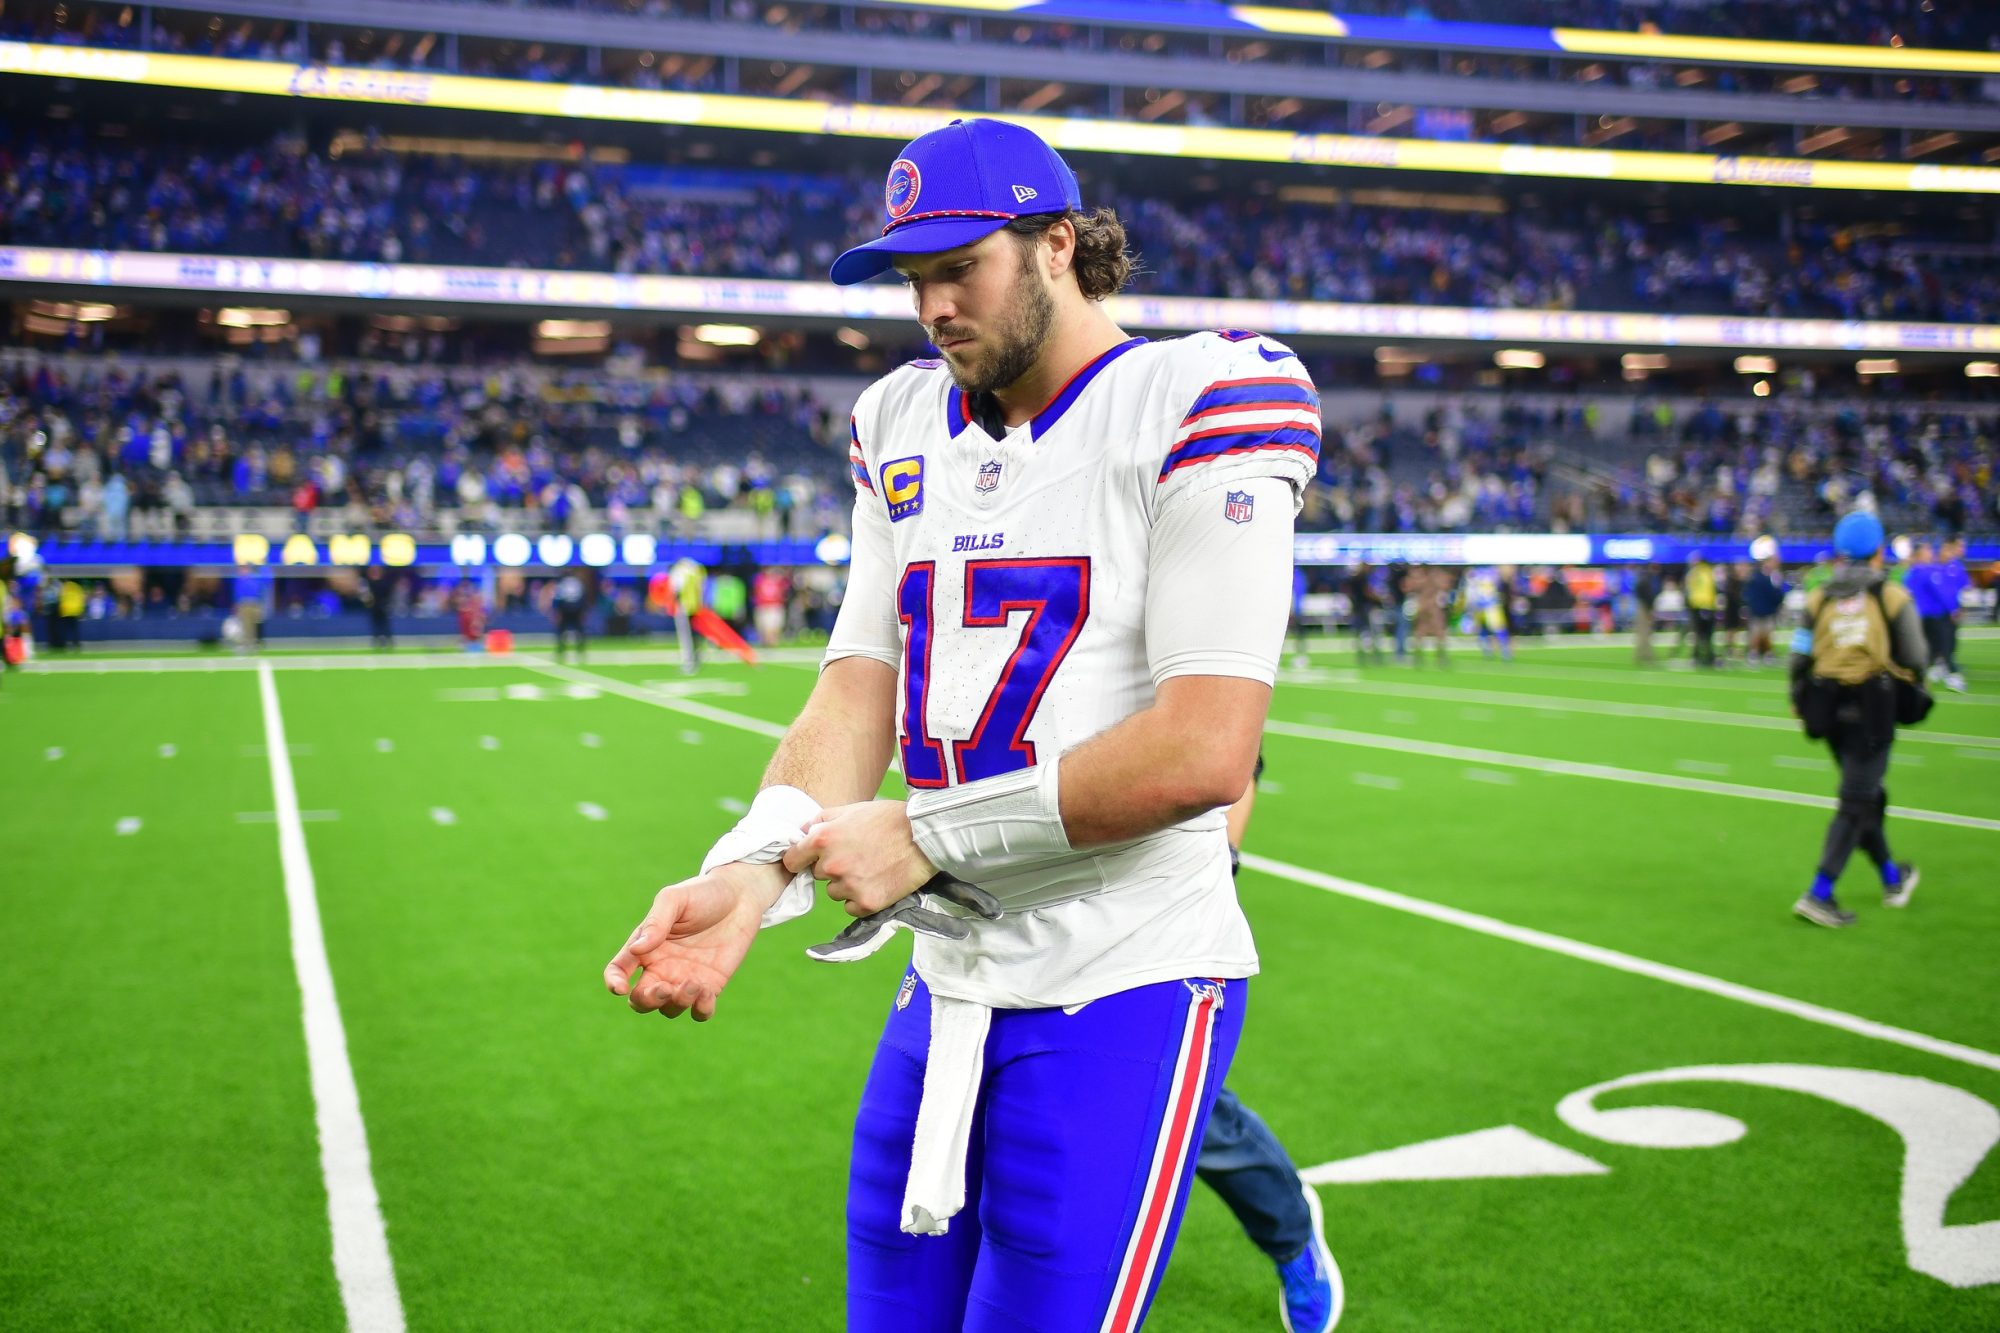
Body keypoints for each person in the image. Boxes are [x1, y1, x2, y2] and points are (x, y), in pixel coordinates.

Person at [602, 118, 1317, 1333]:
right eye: (910, 277)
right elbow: (854, 684)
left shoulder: (1201, 395)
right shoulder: (899, 422)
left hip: (1125, 969)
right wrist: (754, 865)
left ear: (1055, 245)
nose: (930, 306)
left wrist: (927, 836)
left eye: (957, 267)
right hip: (948, 979)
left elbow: (1204, 747)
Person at [1207, 756, 1344, 1333]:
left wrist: (1224, 858)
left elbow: (1235, 753)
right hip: (1005, 905)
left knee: (1183, 1107)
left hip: (1142, 904)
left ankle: (1290, 1234)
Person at [1789, 512, 1927, 928]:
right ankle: (1819, 892)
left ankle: (1891, 876)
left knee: (1866, 796)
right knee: (1856, 800)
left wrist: (1799, 698)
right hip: (1873, 707)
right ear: (1879, 551)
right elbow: (1917, 656)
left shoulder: (1819, 597)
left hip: (1829, 708)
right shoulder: (1891, 596)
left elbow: (1799, 656)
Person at [1741, 555, 1787, 667]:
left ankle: (1764, 654)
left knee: (1766, 633)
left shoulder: (1771, 576)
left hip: (1765, 609)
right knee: (1757, 633)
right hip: (1760, 609)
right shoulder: (1763, 576)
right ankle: (1756, 654)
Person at [1684, 553, 1717, 668]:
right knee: (1706, 635)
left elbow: (1690, 589)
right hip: (1706, 606)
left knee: (1699, 634)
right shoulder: (1708, 572)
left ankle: (1698, 656)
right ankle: (1706, 656)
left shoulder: (1696, 573)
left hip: (1698, 606)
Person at [1411, 564, 1449, 667]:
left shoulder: (1426, 576)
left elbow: (1444, 586)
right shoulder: (1425, 577)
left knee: (1437, 632)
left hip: (1428, 606)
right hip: (1429, 607)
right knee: (1424, 631)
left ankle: (1439, 656)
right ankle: (1419, 656)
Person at [552, 572, 588, 661]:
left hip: (566, 608)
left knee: (563, 630)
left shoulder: (563, 582)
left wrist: (557, 610)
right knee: (578, 629)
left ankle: (561, 649)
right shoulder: (577, 582)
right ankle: (580, 649)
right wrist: (582, 610)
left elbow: (558, 597)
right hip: (576, 608)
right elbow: (583, 596)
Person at [361, 563, 395, 650]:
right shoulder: (369, 583)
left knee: (385, 626)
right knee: (375, 626)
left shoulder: (384, 583)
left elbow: (388, 595)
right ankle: (376, 642)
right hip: (374, 608)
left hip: (382, 607)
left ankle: (389, 642)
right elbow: (366, 596)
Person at [1631, 563, 1661, 665]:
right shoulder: (1648, 579)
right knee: (1645, 633)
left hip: (1644, 606)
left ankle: (1643, 654)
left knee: (1644, 633)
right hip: (1644, 608)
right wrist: (1649, 609)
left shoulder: (1645, 578)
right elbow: (1647, 595)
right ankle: (1646, 655)